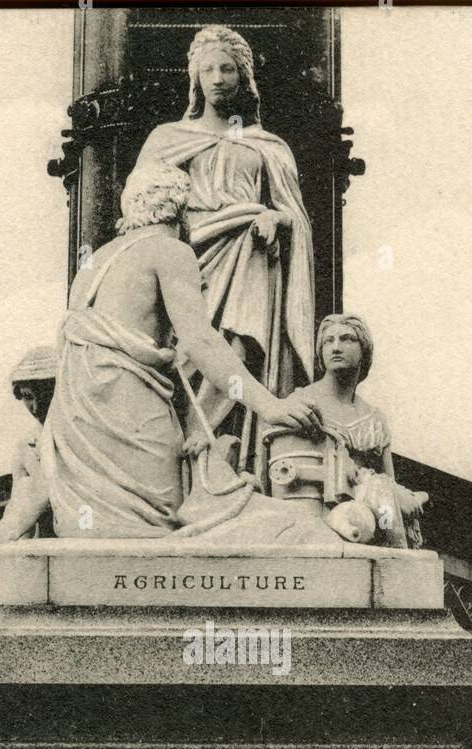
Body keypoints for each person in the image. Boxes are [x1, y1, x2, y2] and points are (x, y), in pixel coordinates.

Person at [37, 158, 322, 541]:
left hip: (79, 419)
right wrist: (270, 405)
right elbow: (200, 340)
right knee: (163, 521)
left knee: (114, 531)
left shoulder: (95, 262)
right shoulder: (170, 251)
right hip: (128, 409)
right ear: (182, 208)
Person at [134, 24, 315, 468]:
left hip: (252, 253)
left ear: (244, 78)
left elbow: (296, 216)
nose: (218, 78)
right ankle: (181, 444)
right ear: (194, 77)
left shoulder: (267, 145)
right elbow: (140, 204)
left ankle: (213, 440)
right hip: (187, 254)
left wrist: (274, 217)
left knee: (240, 342)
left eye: (228, 68)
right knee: (188, 346)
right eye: (209, 69)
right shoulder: (167, 138)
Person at [281, 313, 427, 547]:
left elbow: (388, 481)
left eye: (347, 339)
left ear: (364, 350)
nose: (335, 347)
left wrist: (398, 496)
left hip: (372, 517)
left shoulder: (375, 419)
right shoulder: (304, 402)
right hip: (318, 519)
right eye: (328, 341)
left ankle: (396, 557)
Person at [0, 346, 56, 546]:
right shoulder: (25, 447)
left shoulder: (78, 437)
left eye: (44, 394)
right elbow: (19, 501)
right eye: (27, 396)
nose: (36, 406)